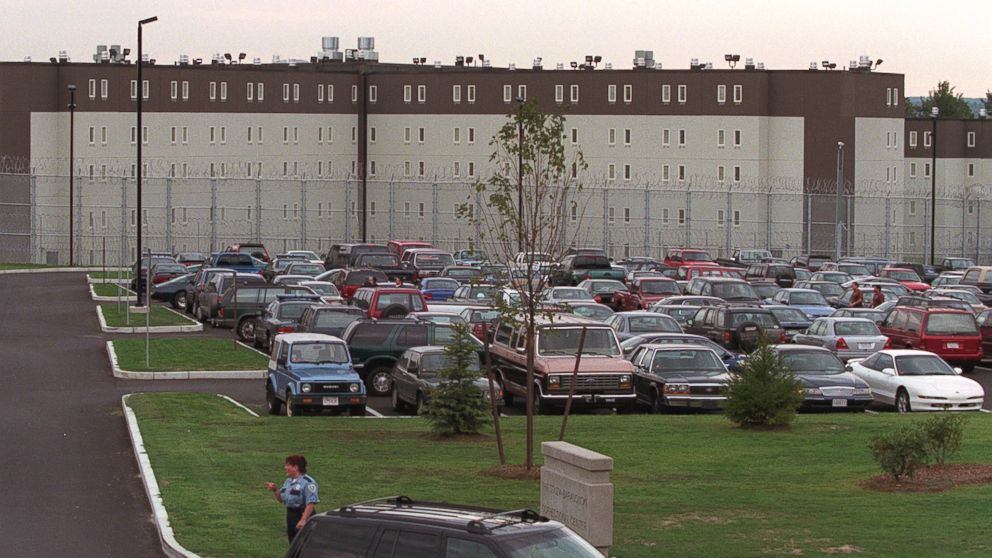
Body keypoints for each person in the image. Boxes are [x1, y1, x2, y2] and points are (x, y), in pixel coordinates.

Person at [266, 455, 319, 543]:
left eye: (288, 465)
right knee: (293, 542)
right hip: (291, 515)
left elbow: (311, 503)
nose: (285, 467)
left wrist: (303, 520)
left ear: (295, 467)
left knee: (303, 543)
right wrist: (275, 490)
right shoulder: (288, 481)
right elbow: (281, 500)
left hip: (303, 514)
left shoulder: (308, 482)